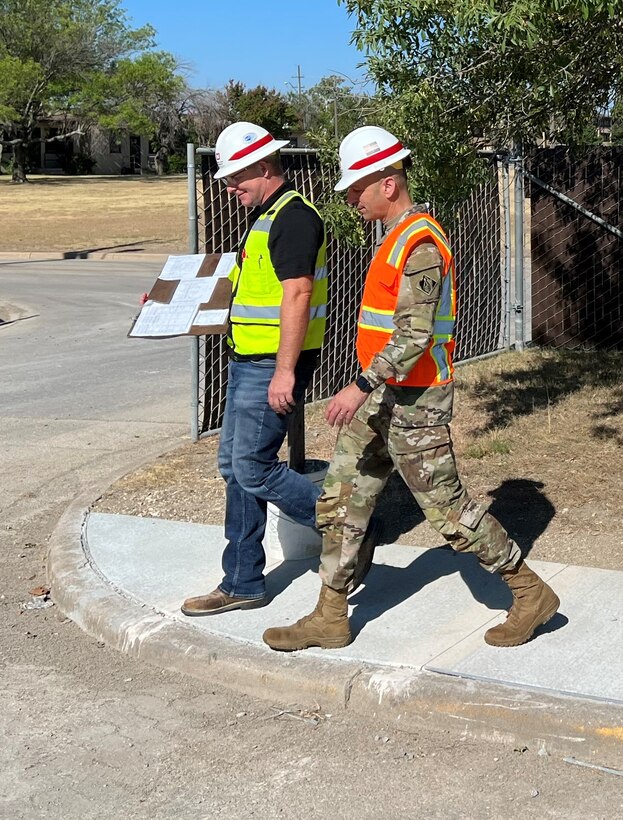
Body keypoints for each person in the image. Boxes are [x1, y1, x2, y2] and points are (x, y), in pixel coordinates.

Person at [263, 125, 559, 651]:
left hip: (414, 402)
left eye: (356, 189)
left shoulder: (420, 243)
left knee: (448, 512)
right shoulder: (395, 238)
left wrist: (357, 385)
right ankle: (330, 616)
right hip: (381, 399)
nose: (351, 199)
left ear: (388, 183)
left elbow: (415, 337)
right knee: (342, 498)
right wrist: (366, 391)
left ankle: (529, 592)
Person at [182, 122, 327, 616]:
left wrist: (285, 372)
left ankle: (345, 522)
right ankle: (242, 580)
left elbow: (298, 294)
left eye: (235, 176)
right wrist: (172, 304)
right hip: (250, 359)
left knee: (252, 466)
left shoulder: (293, 218)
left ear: (263, 167)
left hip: (272, 363)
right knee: (235, 469)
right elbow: (247, 291)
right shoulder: (265, 216)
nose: (228, 185)